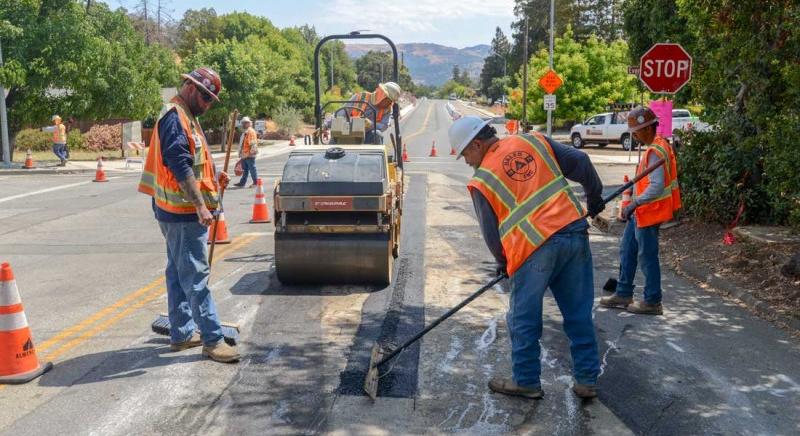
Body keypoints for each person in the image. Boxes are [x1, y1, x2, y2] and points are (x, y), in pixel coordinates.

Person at [449, 116, 605, 400]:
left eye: (465, 153)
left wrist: (502, 263)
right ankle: (586, 380)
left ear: (477, 144)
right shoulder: (533, 140)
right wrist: (594, 200)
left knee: (524, 317)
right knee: (578, 313)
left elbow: (492, 235)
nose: (466, 161)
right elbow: (581, 162)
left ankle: (527, 381)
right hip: (574, 233)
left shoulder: (482, 180)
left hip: (533, 249)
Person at [137, 67, 240, 363]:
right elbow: (179, 166)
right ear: (193, 89)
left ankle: (182, 333)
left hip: (175, 210)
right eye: (207, 99)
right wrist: (200, 206)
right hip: (182, 212)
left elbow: (193, 164)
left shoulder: (186, 116)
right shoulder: (175, 116)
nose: (208, 105)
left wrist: (213, 176)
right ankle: (212, 339)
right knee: (195, 276)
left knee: (177, 272)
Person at [600, 106, 681, 315]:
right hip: (641, 211)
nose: (634, 136)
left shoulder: (656, 151)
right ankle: (623, 292)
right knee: (627, 249)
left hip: (649, 211)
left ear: (647, 129)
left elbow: (656, 186)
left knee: (647, 256)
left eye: (636, 132)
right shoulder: (656, 145)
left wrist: (634, 204)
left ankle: (653, 301)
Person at [233, 117, 259, 188]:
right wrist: (241, 154)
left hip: (249, 154)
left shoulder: (250, 132)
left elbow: (253, 143)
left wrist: (251, 153)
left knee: (252, 169)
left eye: (245, 123)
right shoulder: (246, 132)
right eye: (243, 123)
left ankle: (256, 182)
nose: (243, 124)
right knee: (245, 170)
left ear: (249, 123)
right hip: (245, 154)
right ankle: (242, 183)